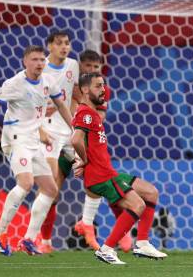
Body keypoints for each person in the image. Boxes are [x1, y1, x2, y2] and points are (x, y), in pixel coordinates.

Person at [0, 45, 73, 256]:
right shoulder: (14, 84)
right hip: (16, 140)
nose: (39, 63)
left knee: (51, 190)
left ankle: (28, 240)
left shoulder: (48, 81)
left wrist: (75, 128)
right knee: (26, 183)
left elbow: (61, 105)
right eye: (34, 59)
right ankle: (0, 232)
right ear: (25, 61)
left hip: (34, 142)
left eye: (42, 60)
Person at [71, 72, 166, 264]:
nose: (103, 89)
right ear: (85, 89)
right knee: (137, 205)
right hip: (101, 175)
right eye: (98, 86)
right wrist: (85, 160)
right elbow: (75, 140)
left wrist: (84, 160)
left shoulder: (93, 113)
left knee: (151, 193)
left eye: (103, 85)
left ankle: (142, 242)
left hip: (108, 172)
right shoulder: (85, 113)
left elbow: (83, 142)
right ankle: (106, 249)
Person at [34, 30, 79, 253]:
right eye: (60, 43)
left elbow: (76, 94)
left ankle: (120, 235)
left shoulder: (73, 66)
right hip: (48, 132)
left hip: (69, 131)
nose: (64, 47)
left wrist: (75, 124)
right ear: (49, 46)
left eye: (67, 43)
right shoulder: (41, 68)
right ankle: (43, 241)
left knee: (97, 173)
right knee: (50, 186)